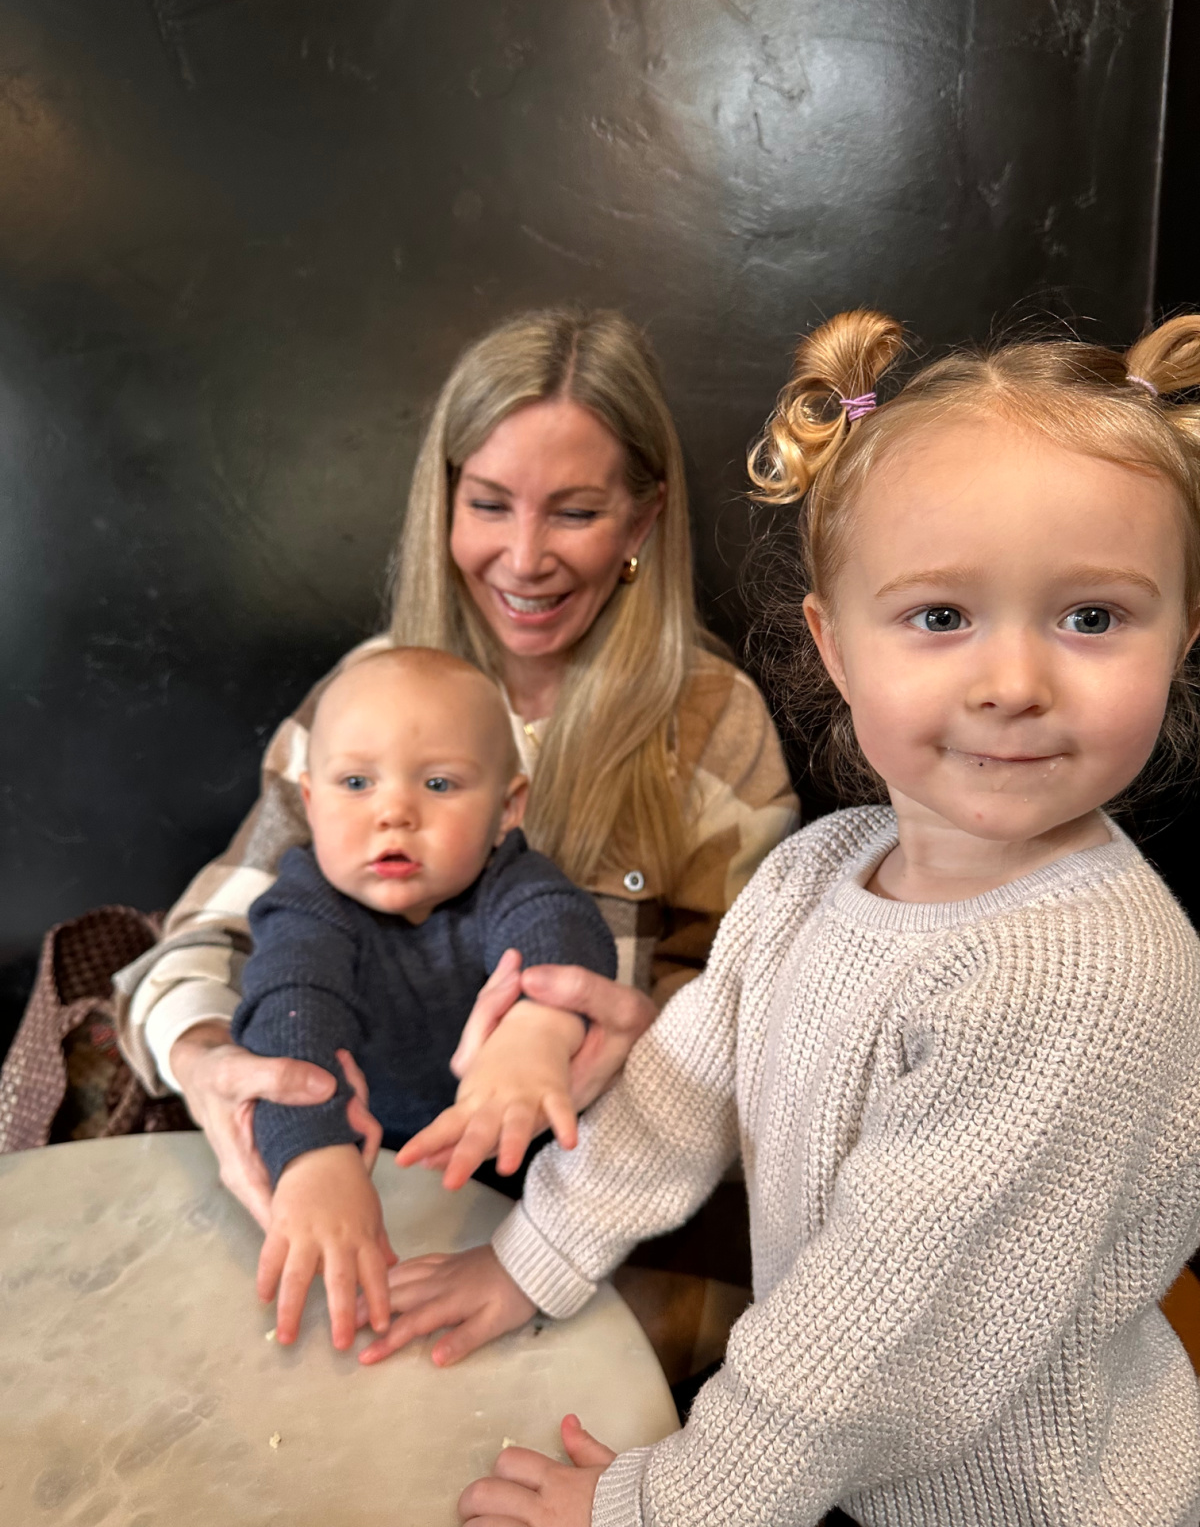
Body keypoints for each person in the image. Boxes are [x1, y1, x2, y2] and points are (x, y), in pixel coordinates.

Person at [362, 310, 1200, 1525]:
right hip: (846, 1477)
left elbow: (876, 1335)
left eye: (1093, 618)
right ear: (835, 645)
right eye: (940, 616)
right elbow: (680, 1090)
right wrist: (532, 1258)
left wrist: (661, 1505)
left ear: (1182, 636)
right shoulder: (821, 868)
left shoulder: (1078, 975)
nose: (1013, 683)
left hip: (1028, 1501)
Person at [113, 306, 798, 1232]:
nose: (524, 559)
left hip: (600, 1213)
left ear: (642, 520)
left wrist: (626, 1042)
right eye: (488, 504)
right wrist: (203, 1058)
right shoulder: (365, 691)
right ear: (442, 502)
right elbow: (223, 927)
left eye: (576, 512)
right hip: (371, 1190)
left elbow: (758, 1020)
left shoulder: (712, 720)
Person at [233, 646, 617, 1353]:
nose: (394, 813)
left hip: (518, 1175)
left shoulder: (510, 882)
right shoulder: (307, 903)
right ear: (310, 803)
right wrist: (312, 1155)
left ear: (507, 809)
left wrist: (537, 1027)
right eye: (356, 782)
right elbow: (290, 1007)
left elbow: (559, 928)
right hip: (369, 1168)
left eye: (439, 783)